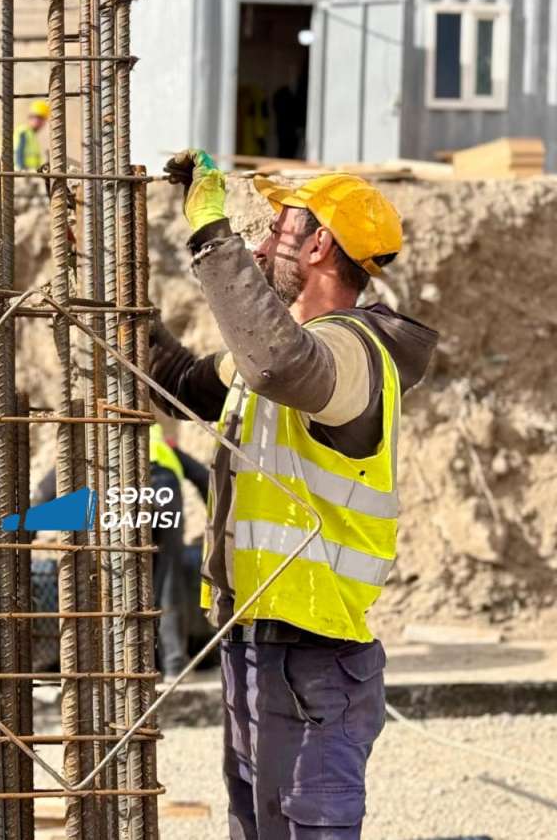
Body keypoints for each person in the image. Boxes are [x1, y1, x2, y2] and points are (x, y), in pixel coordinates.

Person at [150, 151, 438, 839]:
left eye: (279, 229)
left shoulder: (352, 353)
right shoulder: (292, 356)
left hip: (314, 657)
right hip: (258, 644)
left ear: (318, 246)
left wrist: (213, 236)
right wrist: (107, 272)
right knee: (256, 826)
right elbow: (182, 380)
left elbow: (279, 364)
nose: (261, 244)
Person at [147, 423, 206, 681]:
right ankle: (174, 665)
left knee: (123, 575)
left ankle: (128, 666)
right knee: (169, 577)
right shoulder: (160, 440)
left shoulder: (102, 436)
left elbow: (53, 483)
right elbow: (203, 476)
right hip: (164, 489)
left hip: (124, 492)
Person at [13, 99, 49, 172]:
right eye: (39, 118)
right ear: (31, 118)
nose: (42, 123)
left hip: (30, 172)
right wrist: (21, 169)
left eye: (43, 120)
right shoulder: (24, 131)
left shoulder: (31, 134)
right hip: (23, 172)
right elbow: (19, 152)